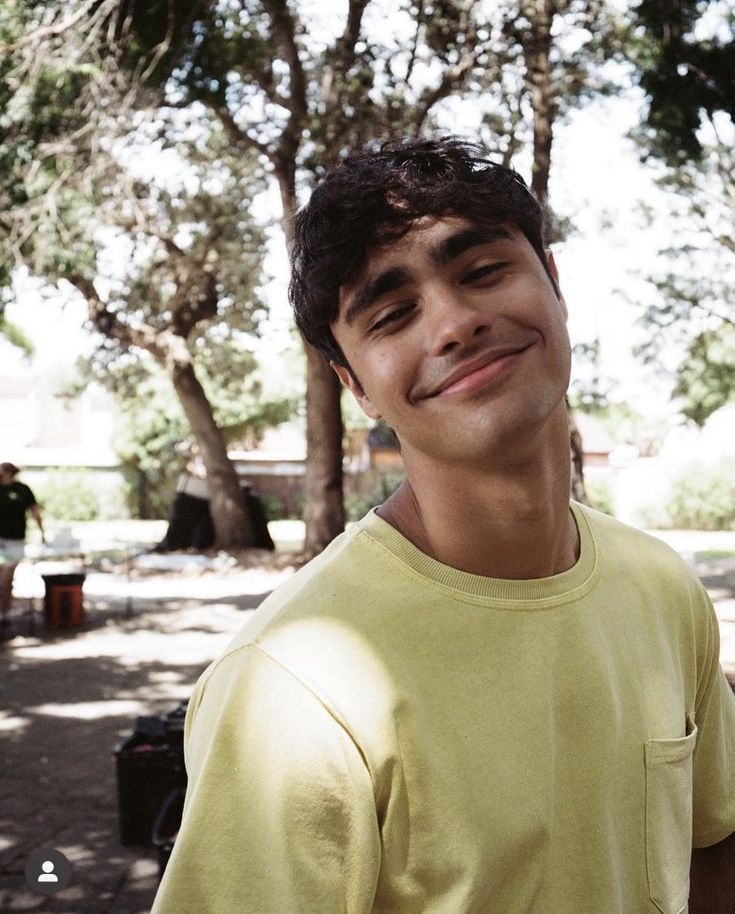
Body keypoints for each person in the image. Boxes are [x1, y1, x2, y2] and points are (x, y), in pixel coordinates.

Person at [151, 138, 735, 914]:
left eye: (482, 271)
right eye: (393, 313)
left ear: (553, 284)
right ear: (354, 384)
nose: (455, 323)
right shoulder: (292, 691)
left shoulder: (663, 589)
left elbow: (710, 846)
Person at [0, 462, 45, 624]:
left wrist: (42, 532)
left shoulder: (22, 490)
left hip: (15, 541)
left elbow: (35, 512)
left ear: (7, 472)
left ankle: (4, 613)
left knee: (6, 579)